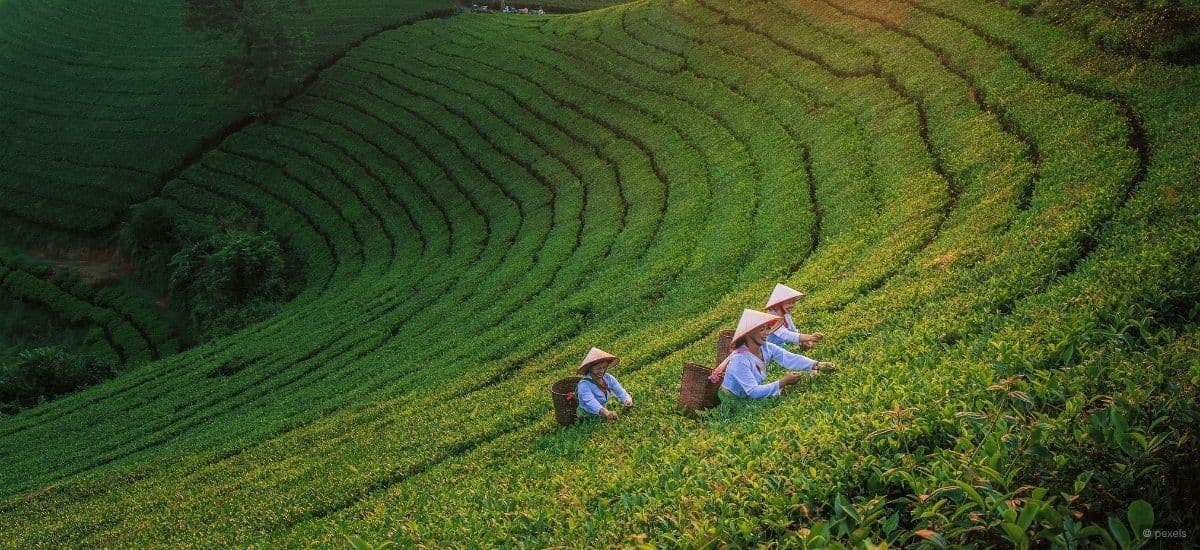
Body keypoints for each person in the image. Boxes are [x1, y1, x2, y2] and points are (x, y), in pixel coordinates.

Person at [711, 309, 835, 399]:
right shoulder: (739, 359)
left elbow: (788, 357)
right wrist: (783, 382)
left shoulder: (766, 347)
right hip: (734, 399)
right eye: (761, 330)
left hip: (750, 391)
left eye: (767, 328)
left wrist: (816, 365)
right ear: (748, 335)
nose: (766, 333)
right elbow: (753, 392)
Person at [575, 347, 633, 420]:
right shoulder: (584, 385)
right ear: (590, 368)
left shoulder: (608, 378)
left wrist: (627, 400)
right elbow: (590, 401)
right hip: (589, 413)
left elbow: (620, 392)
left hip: (603, 409)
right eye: (598, 368)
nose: (602, 371)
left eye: (604, 367)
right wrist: (605, 412)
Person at [764, 283, 823, 349]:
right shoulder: (770, 317)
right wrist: (810, 337)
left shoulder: (786, 315)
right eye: (789, 303)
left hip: (780, 347)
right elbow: (784, 334)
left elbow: (793, 331)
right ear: (778, 304)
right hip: (766, 350)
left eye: (793, 302)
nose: (792, 305)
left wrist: (804, 341)